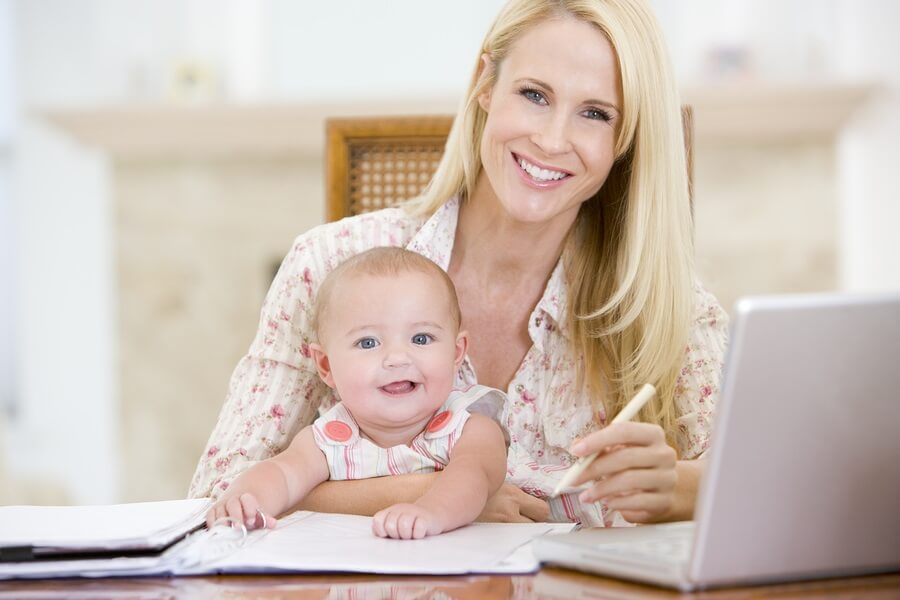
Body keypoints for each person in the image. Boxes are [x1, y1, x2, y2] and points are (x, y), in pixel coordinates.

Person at [190, 0, 728, 528]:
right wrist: (434, 493)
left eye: (595, 113)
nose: (551, 139)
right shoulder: (327, 262)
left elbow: (772, 488)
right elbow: (216, 494)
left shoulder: (664, 305)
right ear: (485, 86)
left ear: (625, 137)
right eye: (534, 94)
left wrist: (678, 489)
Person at [206, 247, 508, 539]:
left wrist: (431, 512)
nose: (397, 358)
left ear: (456, 353)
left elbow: (474, 478)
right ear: (326, 366)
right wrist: (247, 500)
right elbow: (282, 474)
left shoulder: (470, 429)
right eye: (368, 343)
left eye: (421, 337)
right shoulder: (329, 441)